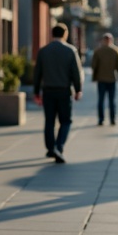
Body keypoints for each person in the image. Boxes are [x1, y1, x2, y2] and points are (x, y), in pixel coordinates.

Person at [33, 22, 83, 163]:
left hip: (48, 91)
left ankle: (50, 148)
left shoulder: (43, 51)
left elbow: (37, 73)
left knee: (49, 121)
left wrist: (36, 92)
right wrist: (78, 90)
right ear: (65, 34)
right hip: (64, 91)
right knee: (66, 121)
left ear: (52, 34)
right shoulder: (70, 51)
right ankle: (58, 147)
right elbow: (76, 73)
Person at [91, 32, 118, 124]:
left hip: (101, 79)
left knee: (101, 100)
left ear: (103, 40)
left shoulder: (98, 51)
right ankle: (112, 119)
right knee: (111, 100)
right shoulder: (116, 50)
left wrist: (94, 77)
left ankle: (101, 119)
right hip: (111, 79)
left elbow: (94, 65)